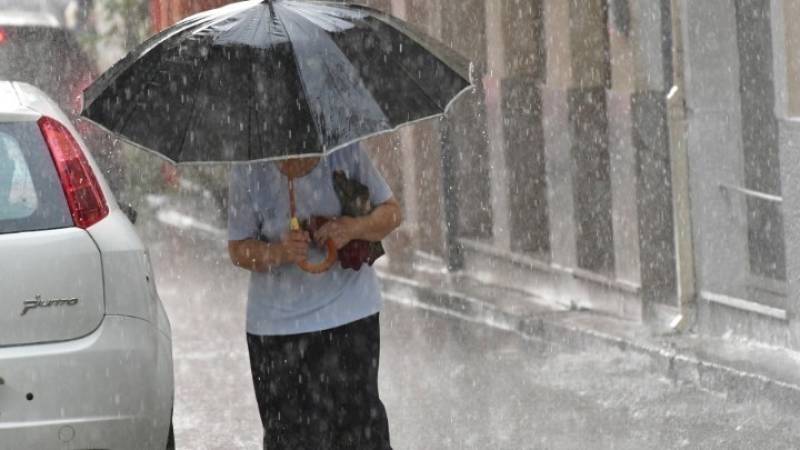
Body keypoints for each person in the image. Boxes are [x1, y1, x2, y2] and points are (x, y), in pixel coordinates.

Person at [227, 143, 402, 450]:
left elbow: (391, 213)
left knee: (359, 435)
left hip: (349, 317)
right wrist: (279, 252)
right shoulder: (249, 168)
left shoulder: (344, 153)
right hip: (276, 330)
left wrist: (352, 228)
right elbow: (238, 249)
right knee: (290, 439)